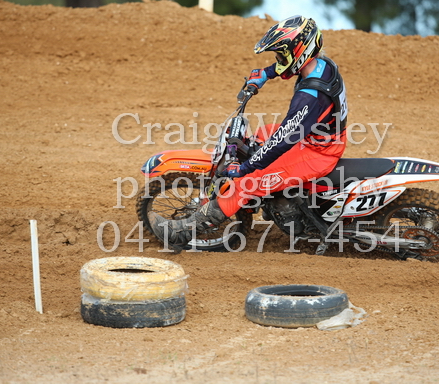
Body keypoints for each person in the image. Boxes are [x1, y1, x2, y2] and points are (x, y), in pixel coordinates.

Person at [149, 15, 348, 251]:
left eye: (281, 55)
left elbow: (281, 142)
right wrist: (266, 73)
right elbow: (289, 70)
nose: (278, 60)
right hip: (320, 138)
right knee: (263, 133)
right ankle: (277, 198)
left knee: (246, 182)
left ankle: (181, 233)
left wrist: (244, 168)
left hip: (318, 151)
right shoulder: (322, 65)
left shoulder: (309, 97)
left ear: (299, 52)